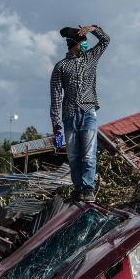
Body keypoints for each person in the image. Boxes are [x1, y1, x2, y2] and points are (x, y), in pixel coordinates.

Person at [50, 24, 109, 202]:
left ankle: (88, 188)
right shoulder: (60, 67)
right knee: (74, 157)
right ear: (74, 43)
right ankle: (78, 188)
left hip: (88, 113)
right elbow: (56, 96)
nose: (85, 45)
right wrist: (56, 124)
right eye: (83, 42)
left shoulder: (90, 57)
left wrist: (93, 29)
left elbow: (105, 40)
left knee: (89, 155)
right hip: (69, 115)